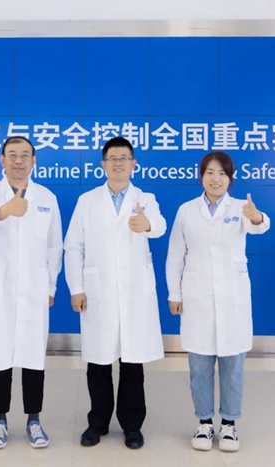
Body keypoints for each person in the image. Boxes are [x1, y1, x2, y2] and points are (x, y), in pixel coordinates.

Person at [64, 136, 166, 450]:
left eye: (124, 158)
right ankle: (97, 423)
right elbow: (73, 247)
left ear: (134, 164)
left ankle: (132, 426)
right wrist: (76, 288)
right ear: (103, 164)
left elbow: (160, 226)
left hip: (134, 293)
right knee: (98, 361)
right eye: (112, 158)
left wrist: (147, 224)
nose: (118, 163)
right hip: (98, 293)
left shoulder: (145, 198)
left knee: (132, 363)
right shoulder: (87, 201)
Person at [165, 151, 270, 453]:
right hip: (196, 298)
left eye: (222, 174)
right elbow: (175, 254)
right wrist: (174, 293)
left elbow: (260, 225)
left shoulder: (240, 208)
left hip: (232, 298)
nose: (215, 179)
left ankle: (229, 424)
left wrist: (256, 216)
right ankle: (204, 422)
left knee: (232, 366)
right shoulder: (187, 210)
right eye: (210, 173)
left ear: (230, 178)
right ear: (201, 176)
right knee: (199, 367)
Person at [0, 136, 63, 450]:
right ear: (2, 160)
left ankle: (34, 420)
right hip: (1, 288)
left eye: (25, 155)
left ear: (34, 161)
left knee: (33, 356)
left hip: (35, 288)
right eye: (12, 155)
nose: (18, 160)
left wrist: (50, 286)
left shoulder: (46, 197)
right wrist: (3, 211)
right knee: (0, 355)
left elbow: (54, 246)